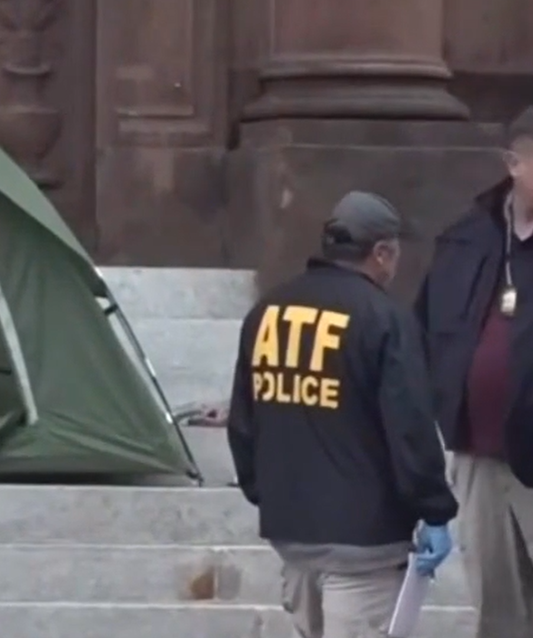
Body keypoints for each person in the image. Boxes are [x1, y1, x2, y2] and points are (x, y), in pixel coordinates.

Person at [228, 190, 459, 638]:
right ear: (381, 253)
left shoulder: (267, 312)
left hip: (292, 531)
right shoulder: (384, 317)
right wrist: (434, 509)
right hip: (364, 541)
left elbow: (244, 420)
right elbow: (409, 426)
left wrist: (268, 493)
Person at [414, 106, 533, 638]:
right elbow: (424, 333)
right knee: (499, 614)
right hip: (479, 459)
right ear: (514, 162)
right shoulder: (468, 239)